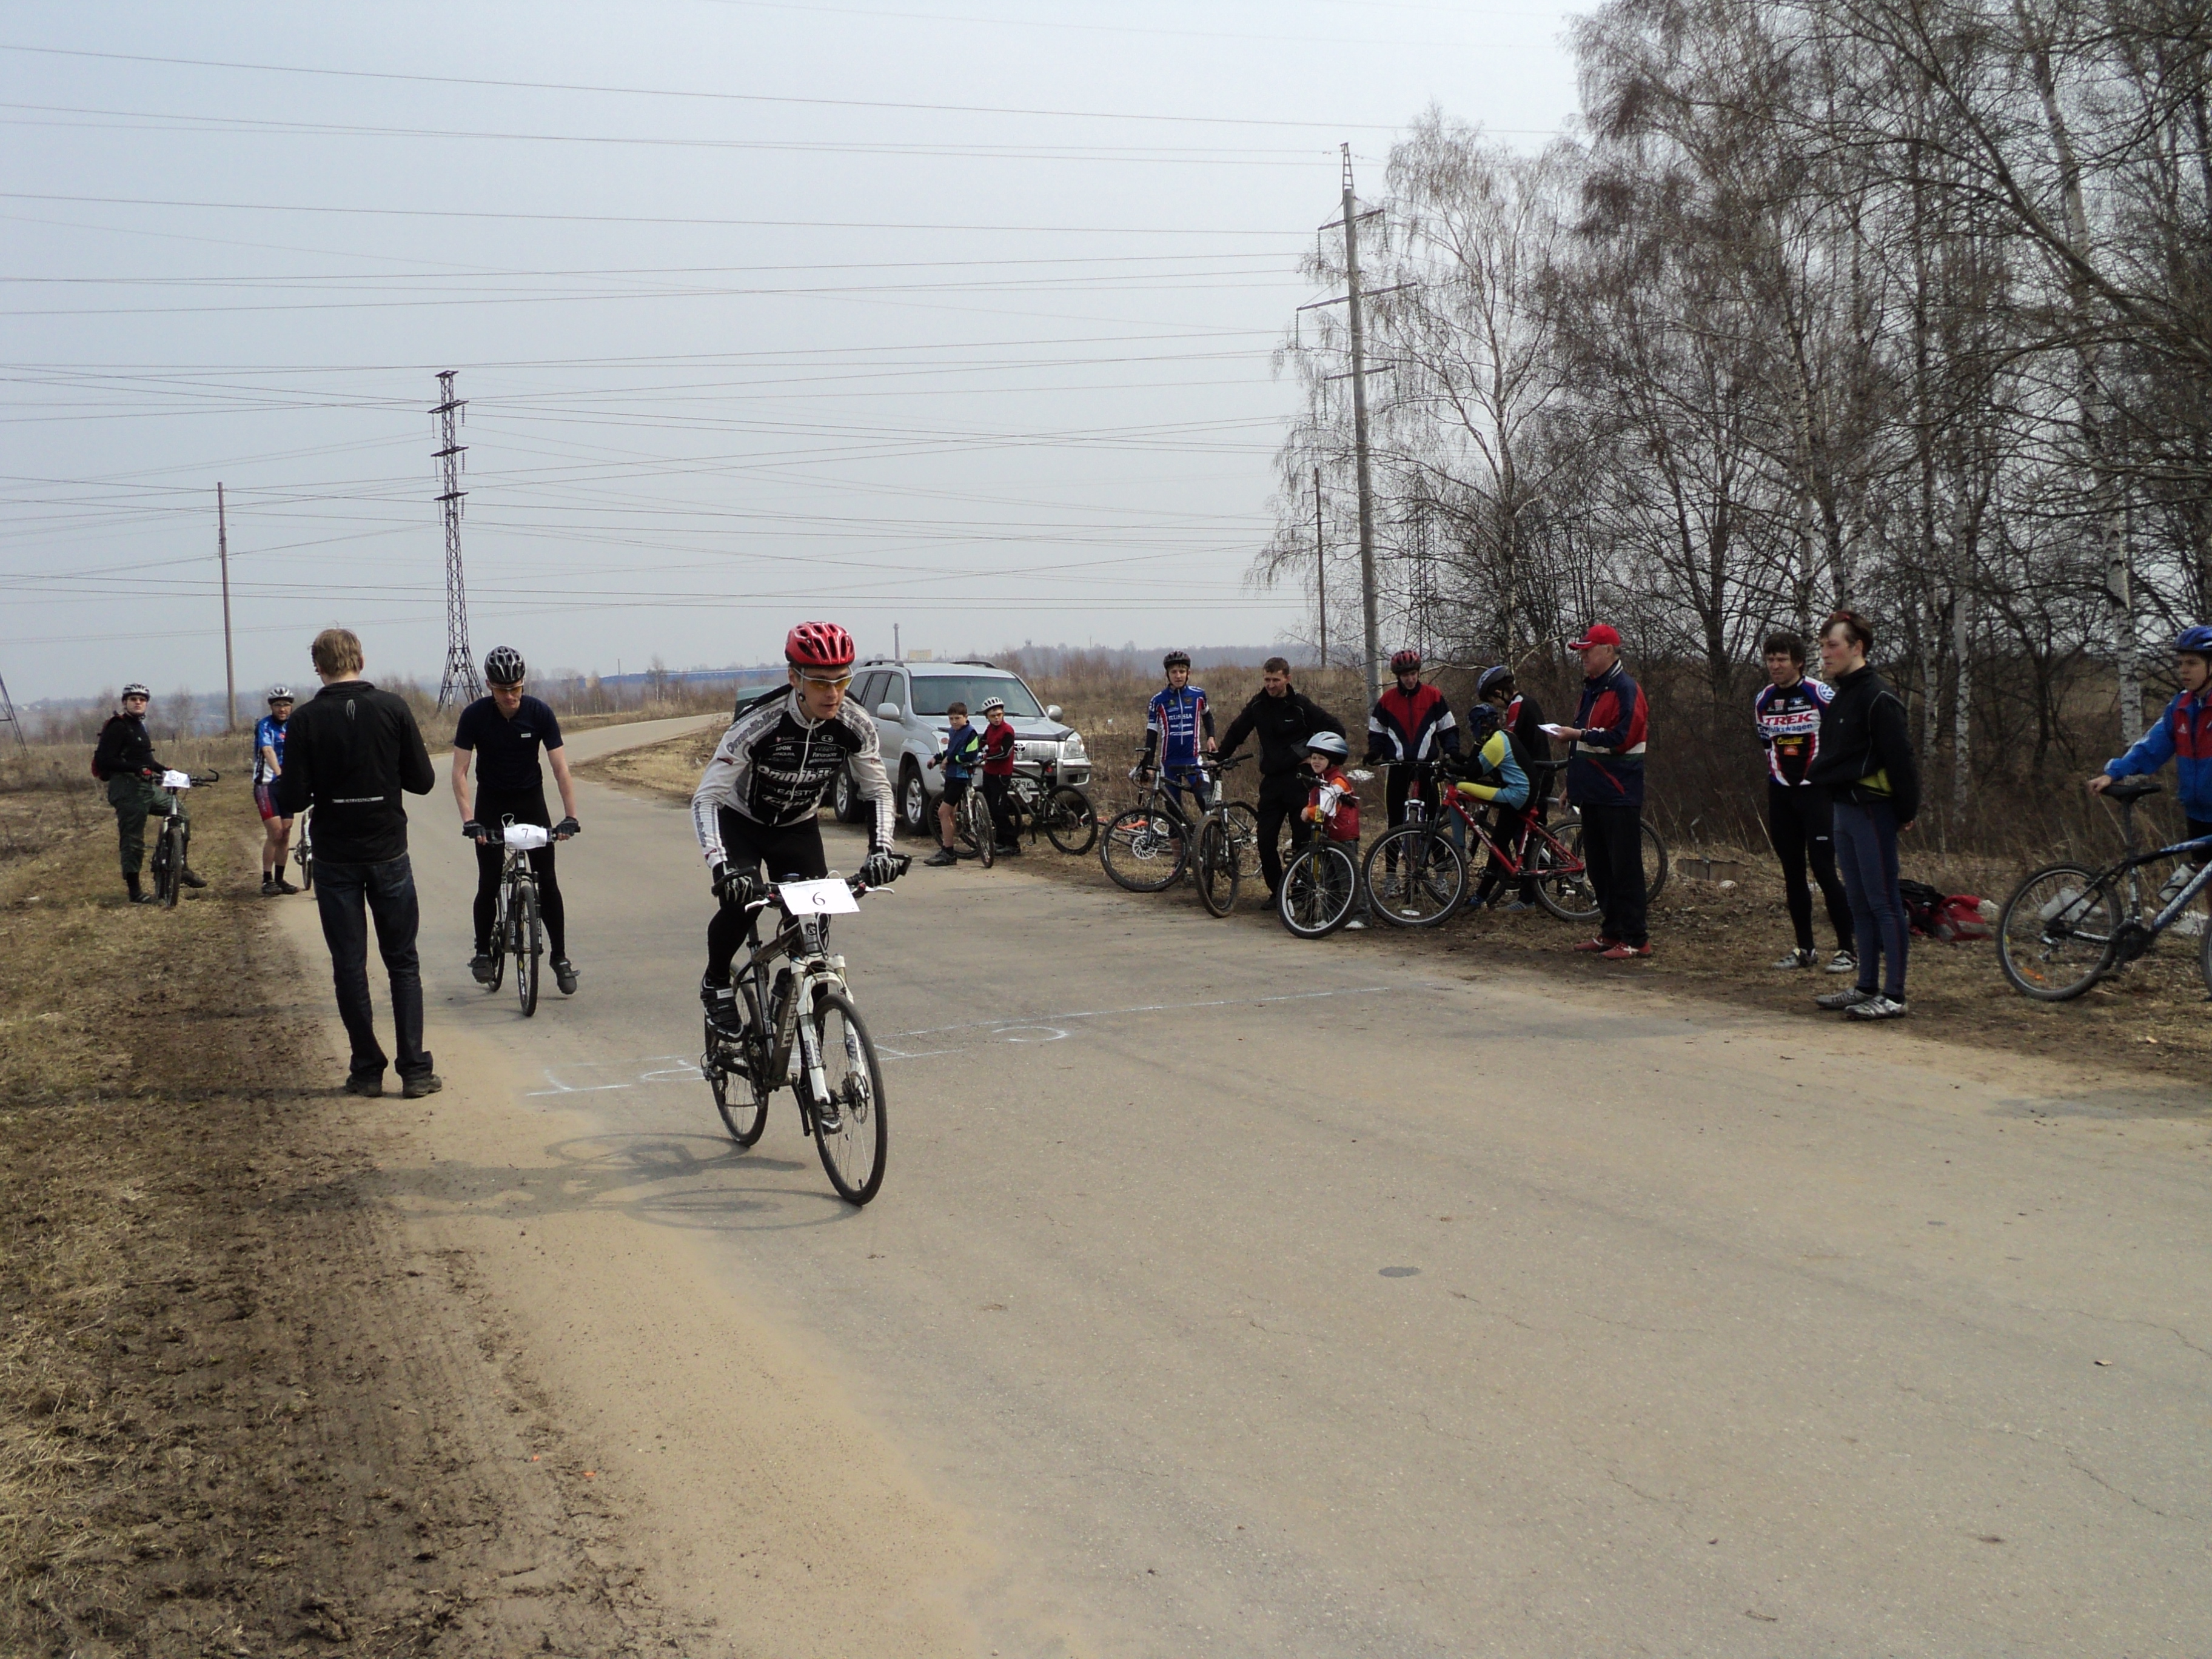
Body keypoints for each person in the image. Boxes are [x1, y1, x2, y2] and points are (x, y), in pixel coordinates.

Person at [692, 622, 898, 1038]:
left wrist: (881, 850)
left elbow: (878, 790)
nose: (833, 693)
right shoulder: (759, 723)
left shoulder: (855, 723)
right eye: (820, 682)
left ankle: (795, 996)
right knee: (741, 904)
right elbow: (706, 798)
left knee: (814, 926)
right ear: (794, 678)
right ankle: (716, 983)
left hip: (798, 827)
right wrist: (721, 868)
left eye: (842, 681)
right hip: (742, 822)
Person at [275, 628, 441, 1098]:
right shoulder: (392, 708)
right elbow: (423, 781)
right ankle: (415, 1071)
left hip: (335, 856)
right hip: (388, 850)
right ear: (361, 661)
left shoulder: (305, 720)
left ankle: (367, 1070)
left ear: (318, 668)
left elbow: (293, 797)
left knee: (349, 966)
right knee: (402, 962)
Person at [1805, 609, 1920, 1021]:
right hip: (1843, 809)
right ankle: (1866, 985)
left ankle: (1894, 995)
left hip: (1873, 811)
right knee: (1858, 902)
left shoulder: (1878, 698)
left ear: (1857, 647)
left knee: (1883, 901)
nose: (1825, 653)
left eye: (1832, 645)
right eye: (1822, 646)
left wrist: (1906, 810)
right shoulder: (1843, 696)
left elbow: (1902, 760)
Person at [452, 646, 583, 996]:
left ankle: (560, 957)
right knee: (489, 880)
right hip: (491, 803)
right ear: (489, 686)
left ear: (524, 683)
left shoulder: (539, 713)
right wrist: (470, 821)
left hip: (530, 801)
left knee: (548, 880)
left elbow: (560, 769)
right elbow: (460, 772)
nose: (510, 696)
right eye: (502, 690)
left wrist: (570, 817)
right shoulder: (474, 717)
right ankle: (483, 951)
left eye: (515, 689)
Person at [1754, 632, 1855, 974]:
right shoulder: (1763, 699)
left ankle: (1847, 949)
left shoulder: (1820, 693)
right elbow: (1766, 743)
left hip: (1817, 793)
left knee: (1824, 869)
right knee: (1792, 871)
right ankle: (1805, 949)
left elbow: (1842, 740)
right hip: (1781, 792)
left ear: (1798, 662)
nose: (1775, 666)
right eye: (1770, 659)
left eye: (1782, 659)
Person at [1552, 624, 1651, 959]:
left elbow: (1621, 739)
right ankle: (1612, 932)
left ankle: (1636, 938)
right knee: (1598, 867)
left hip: (1618, 792)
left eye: (1588, 650)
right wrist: (1572, 785)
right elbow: (1582, 746)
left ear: (1608, 650)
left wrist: (1578, 735)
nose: (1583, 656)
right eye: (1580, 651)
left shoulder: (1626, 689)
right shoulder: (1591, 689)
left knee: (1625, 868)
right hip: (1592, 792)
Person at [1216, 657, 1347, 897]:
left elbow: (1336, 730)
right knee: (1265, 841)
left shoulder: (1300, 705)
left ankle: (1302, 892)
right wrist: (1219, 757)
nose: (1270, 685)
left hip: (1301, 781)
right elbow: (1237, 732)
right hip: (1272, 782)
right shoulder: (1258, 705)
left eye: (1276, 680)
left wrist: (1315, 755)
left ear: (1288, 678)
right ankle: (1278, 893)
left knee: (1302, 842)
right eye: (1267, 680)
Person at [2090, 625, 2212, 845]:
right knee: (2201, 868)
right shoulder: (2180, 707)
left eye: (2192, 663)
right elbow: (2152, 746)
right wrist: (2114, 773)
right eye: (2181, 663)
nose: (2184, 670)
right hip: (2197, 815)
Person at [92, 682, 203, 903]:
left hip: (145, 787)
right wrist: (136, 768)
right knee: (133, 840)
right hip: (126, 788)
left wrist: (166, 770)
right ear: (125, 702)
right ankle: (135, 892)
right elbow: (106, 760)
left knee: (180, 813)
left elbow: (146, 761)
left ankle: (181, 866)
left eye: (142, 700)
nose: (138, 702)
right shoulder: (118, 726)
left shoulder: (139, 727)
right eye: (133, 699)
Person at [1476, 665, 1550, 908]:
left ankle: (1529, 898)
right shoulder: (1527, 702)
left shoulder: (1518, 707)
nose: (1494, 705)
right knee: (1528, 834)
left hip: (1532, 779)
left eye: (1492, 699)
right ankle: (1533, 892)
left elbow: (1508, 747)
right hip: (1538, 775)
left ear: (1500, 692)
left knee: (1524, 837)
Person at [1364, 648, 1458, 834]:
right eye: (1405, 675)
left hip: (1427, 766)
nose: (1410, 679)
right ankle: (1392, 855)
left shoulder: (1433, 696)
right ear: (1398, 676)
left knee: (1433, 821)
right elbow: (1377, 732)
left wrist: (1452, 750)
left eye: (1413, 674)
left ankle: (1436, 853)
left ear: (1419, 672)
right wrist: (1375, 751)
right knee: (1395, 822)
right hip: (1398, 766)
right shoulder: (1387, 700)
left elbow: (1448, 729)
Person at [1458, 701, 1534, 908]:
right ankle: (1481, 896)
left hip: (1517, 794)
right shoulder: (1502, 736)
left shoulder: (1495, 744)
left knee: (1460, 786)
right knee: (1498, 843)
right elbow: (1471, 763)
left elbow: (1473, 772)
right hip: (1520, 792)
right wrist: (1476, 744)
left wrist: (1450, 770)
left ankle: (1480, 896)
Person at [1299, 729, 1367, 929]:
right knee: (1329, 879)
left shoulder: (1338, 782)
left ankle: (1361, 916)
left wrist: (1309, 812)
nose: (1316, 761)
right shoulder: (1318, 782)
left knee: (1348, 877)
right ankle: (1331, 917)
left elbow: (1327, 809)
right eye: (1314, 757)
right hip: (1326, 836)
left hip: (1343, 836)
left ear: (1332, 761)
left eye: (1321, 758)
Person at [1138, 651, 1216, 821]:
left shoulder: (1199, 695)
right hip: (1169, 764)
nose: (1178, 676)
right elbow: (1152, 734)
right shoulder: (1158, 700)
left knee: (1207, 804)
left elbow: (1207, 716)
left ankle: (1212, 838)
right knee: (1174, 818)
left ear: (1189, 673)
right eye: (1174, 672)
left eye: (1182, 671)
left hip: (1193, 762)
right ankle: (1182, 838)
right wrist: (1148, 764)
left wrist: (1211, 737)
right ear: (1167, 675)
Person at [926, 700, 983, 867]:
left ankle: (949, 852)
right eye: (951, 719)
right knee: (950, 813)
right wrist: (937, 758)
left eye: (958, 718)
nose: (954, 722)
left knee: (943, 812)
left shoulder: (971, 733)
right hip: (951, 775)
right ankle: (947, 848)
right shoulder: (953, 732)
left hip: (961, 776)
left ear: (966, 717)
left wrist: (950, 759)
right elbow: (951, 751)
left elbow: (970, 755)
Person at [254, 687, 300, 896]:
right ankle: (267, 879)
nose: (282, 709)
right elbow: (268, 750)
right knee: (276, 832)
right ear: (271, 707)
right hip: (267, 784)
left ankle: (280, 879)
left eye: (286, 705)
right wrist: (280, 773)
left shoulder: (294, 725)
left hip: (287, 783)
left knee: (286, 832)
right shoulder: (264, 725)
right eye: (278, 705)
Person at [977, 694, 1021, 854]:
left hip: (1002, 775)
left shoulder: (1007, 730)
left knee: (999, 810)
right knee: (990, 808)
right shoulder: (990, 729)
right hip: (989, 773)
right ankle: (1000, 841)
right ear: (987, 717)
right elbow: (981, 743)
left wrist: (986, 757)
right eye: (993, 716)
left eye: (999, 715)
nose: (997, 718)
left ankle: (1013, 844)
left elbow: (1005, 754)